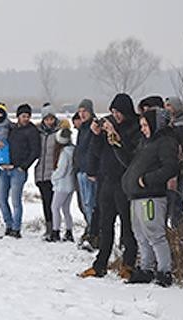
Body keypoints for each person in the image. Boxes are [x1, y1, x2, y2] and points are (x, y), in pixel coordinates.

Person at [80, 93, 140, 280]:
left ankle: (128, 263)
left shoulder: (134, 127)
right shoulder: (108, 125)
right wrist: (97, 135)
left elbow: (129, 157)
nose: (116, 115)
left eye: (119, 112)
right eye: (113, 111)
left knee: (127, 225)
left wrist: (116, 136)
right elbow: (96, 153)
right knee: (105, 225)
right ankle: (100, 265)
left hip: (124, 182)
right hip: (106, 181)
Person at [120, 108, 178, 287]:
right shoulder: (145, 142)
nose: (143, 129)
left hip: (151, 196)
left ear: (155, 124)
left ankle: (164, 271)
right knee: (140, 235)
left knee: (155, 235)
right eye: (142, 125)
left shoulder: (165, 142)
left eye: (145, 125)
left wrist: (147, 179)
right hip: (136, 196)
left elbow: (170, 168)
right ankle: (146, 269)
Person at [0, 104, 40, 238]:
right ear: (18, 117)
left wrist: (23, 166)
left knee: (15, 200)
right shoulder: (12, 129)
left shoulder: (32, 131)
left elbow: (35, 151)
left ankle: (16, 228)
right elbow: (2, 144)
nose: (25, 119)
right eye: (23, 116)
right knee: (1, 198)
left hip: (18, 170)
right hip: (4, 169)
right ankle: (8, 225)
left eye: (28, 116)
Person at [164, 96, 183, 229]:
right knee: (177, 201)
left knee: (177, 201)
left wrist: (178, 169)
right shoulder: (175, 122)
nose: (167, 108)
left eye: (169, 106)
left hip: (181, 170)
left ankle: (181, 230)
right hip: (179, 169)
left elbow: (182, 151)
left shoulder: (182, 126)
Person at [74, 99, 100, 248]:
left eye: (85, 111)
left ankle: (95, 234)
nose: (82, 114)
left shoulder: (93, 126)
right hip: (81, 171)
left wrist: (92, 169)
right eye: (80, 111)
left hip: (90, 172)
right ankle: (90, 231)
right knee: (85, 204)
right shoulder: (82, 128)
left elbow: (94, 150)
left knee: (91, 204)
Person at [35, 107, 59, 238]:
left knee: (54, 203)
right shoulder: (39, 133)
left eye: (51, 119)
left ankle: (56, 228)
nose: (49, 122)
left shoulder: (58, 133)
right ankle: (48, 227)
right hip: (41, 172)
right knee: (45, 201)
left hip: (54, 172)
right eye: (47, 119)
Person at [47, 128, 75, 242]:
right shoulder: (73, 150)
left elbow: (61, 170)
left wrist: (53, 176)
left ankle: (55, 232)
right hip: (71, 184)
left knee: (55, 207)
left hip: (62, 184)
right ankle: (69, 231)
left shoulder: (64, 153)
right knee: (66, 209)